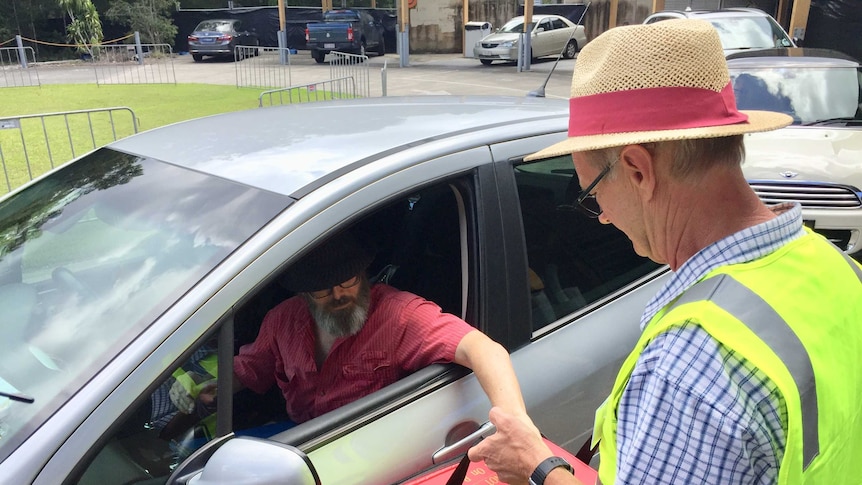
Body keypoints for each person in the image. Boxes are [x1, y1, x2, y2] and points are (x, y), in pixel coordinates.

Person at [468, 19, 862, 485]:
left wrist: (539, 467)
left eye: (591, 192)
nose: (603, 218)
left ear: (638, 170)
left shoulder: (687, 369)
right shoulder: (836, 266)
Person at [191, 229, 528, 426]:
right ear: (305, 294)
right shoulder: (282, 319)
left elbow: (483, 349)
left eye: (348, 281)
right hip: (298, 439)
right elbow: (252, 369)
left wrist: (514, 424)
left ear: (364, 274)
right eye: (323, 290)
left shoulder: (399, 315)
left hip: (366, 447)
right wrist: (212, 387)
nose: (339, 295)